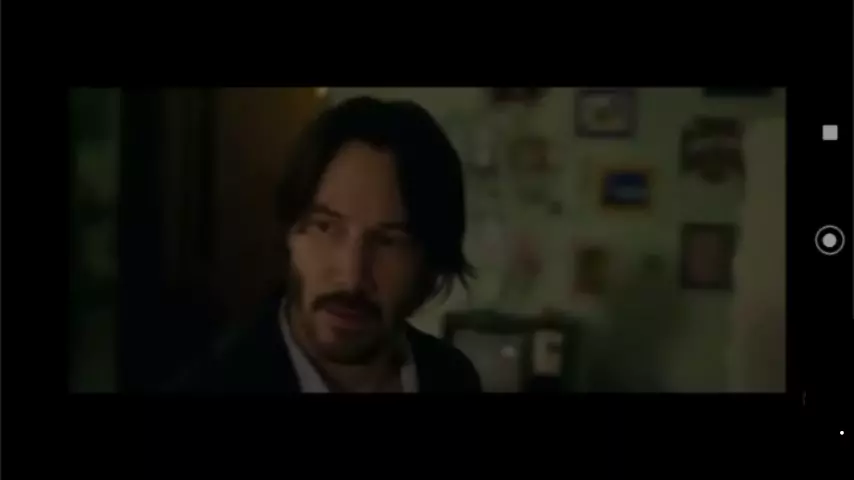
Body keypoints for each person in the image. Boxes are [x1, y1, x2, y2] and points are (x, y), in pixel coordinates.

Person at [174, 96, 482, 393]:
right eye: (326, 227)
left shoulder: (452, 378)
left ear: (430, 266)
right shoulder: (214, 384)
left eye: (388, 241)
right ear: (291, 234)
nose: (351, 276)